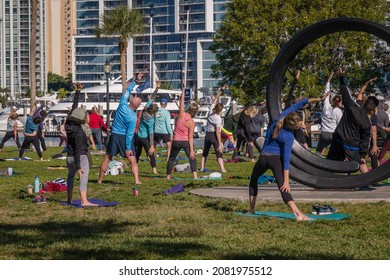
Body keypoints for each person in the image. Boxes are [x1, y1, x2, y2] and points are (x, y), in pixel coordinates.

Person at [247, 97, 320, 220]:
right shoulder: (288, 137)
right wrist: (286, 181)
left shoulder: (280, 119)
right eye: (299, 125)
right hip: (276, 161)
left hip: (263, 158)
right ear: (292, 127)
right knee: (283, 188)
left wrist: (315, 99)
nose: (302, 125)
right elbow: (286, 160)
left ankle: (251, 210)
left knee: (253, 180)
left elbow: (298, 104)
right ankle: (298, 214)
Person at [327, 68, 379, 173]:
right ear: (373, 109)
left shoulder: (351, 106)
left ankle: (324, 179)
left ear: (364, 102)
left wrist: (341, 77)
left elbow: (344, 91)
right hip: (351, 146)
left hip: (338, 139)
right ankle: (367, 180)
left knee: (330, 163)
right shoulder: (367, 123)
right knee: (361, 162)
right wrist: (363, 155)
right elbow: (365, 141)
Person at [98, 75, 143, 185]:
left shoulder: (122, 105)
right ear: (138, 107)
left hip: (114, 136)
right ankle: (137, 180)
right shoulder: (133, 118)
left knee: (107, 158)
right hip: (123, 137)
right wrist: (128, 148)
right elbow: (129, 134)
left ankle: (99, 180)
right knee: (132, 160)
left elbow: (127, 91)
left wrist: (135, 81)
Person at [65, 82, 96, 206]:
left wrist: (78, 91)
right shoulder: (78, 131)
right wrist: (79, 167)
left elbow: (74, 108)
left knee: (70, 176)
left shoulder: (68, 124)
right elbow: (78, 149)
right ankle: (84, 200)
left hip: (69, 158)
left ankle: (69, 199)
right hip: (80, 158)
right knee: (84, 178)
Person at [166, 87, 199, 180]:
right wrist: (192, 150)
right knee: (192, 158)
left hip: (176, 141)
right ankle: (195, 176)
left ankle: (168, 176)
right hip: (185, 142)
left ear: (188, 109)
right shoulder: (191, 122)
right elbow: (190, 137)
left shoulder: (181, 114)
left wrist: (183, 90)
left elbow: (181, 102)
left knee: (172, 159)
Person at [200, 85, 227, 173]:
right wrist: (220, 144)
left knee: (205, 152)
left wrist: (221, 90)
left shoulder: (211, 109)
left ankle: (202, 168)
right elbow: (218, 132)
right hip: (214, 136)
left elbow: (216, 98)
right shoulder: (218, 119)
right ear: (220, 110)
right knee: (219, 153)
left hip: (207, 135)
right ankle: (222, 169)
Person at [315, 72, 343, 156]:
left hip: (323, 133)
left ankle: (315, 164)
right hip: (332, 134)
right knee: (336, 152)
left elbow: (326, 94)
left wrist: (329, 80)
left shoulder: (326, 106)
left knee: (318, 151)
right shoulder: (338, 111)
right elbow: (339, 125)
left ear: (332, 100)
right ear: (339, 102)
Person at [135, 83, 160, 174]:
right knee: (151, 153)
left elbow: (152, 97)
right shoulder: (151, 120)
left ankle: (134, 169)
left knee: (137, 154)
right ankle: (154, 170)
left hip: (137, 136)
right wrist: (152, 145)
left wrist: (156, 88)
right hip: (145, 137)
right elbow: (151, 133)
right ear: (153, 112)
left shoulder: (145, 109)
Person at [154, 96, 173, 161]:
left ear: (160, 103)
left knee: (153, 145)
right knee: (169, 145)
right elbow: (168, 124)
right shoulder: (167, 112)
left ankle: (151, 157)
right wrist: (171, 133)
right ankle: (168, 158)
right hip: (165, 131)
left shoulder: (155, 111)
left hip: (156, 131)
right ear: (166, 104)